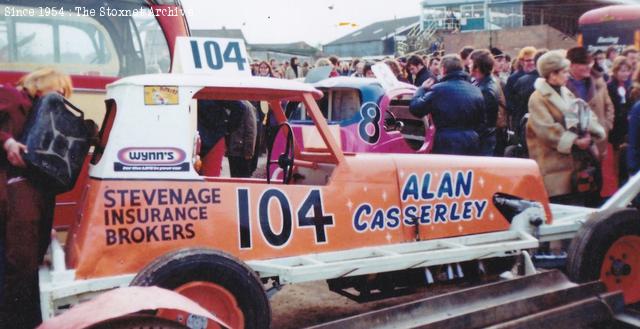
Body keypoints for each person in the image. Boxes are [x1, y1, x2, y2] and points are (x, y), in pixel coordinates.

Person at [0, 68, 73, 328]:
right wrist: (7, 141)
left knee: (24, 265)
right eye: (60, 90)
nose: (63, 99)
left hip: (25, 197)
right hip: (15, 193)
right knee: (19, 267)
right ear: (43, 84)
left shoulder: (35, 111)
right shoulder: (11, 96)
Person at [526, 50, 606, 205]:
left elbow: (580, 115)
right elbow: (546, 130)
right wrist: (575, 141)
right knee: (562, 208)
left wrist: (591, 132)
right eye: (564, 72)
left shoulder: (565, 92)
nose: (568, 75)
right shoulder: (537, 98)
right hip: (553, 167)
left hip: (571, 168)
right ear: (552, 74)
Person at [409, 54, 484, 155]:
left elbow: (416, 109)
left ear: (443, 70)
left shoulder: (438, 89)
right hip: (471, 140)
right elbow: (482, 120)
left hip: (446, 141)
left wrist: (421, 89)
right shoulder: (476, 90)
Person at [607, 56, 633, 186]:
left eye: (627, 71)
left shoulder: (631, 86)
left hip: (628, 128)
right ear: (615, 71)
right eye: (622, 71)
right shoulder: (610, 86)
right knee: (616, 162)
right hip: (616, 130)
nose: (625, 74)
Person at [469, 49, 499, 156]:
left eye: (471, 63)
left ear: (477, 66)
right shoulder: (478, 83)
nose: (468, 65)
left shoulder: (486, 90)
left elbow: (484, 121)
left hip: (483, 141)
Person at [505, 47, 537, 128]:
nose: (532, 62)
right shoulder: (513, 78)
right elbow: (509, 100)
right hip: (521, 119)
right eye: (528, 60)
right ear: (522, 62)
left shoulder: (540, 75)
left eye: (533, 60)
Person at [226, 101, 258, 177]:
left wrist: (248, 152)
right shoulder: (238, 104)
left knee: (243, 177)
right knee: (235, 177)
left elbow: (251, 131)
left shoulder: (246, 106)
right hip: (234, 149)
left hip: (240, 150)